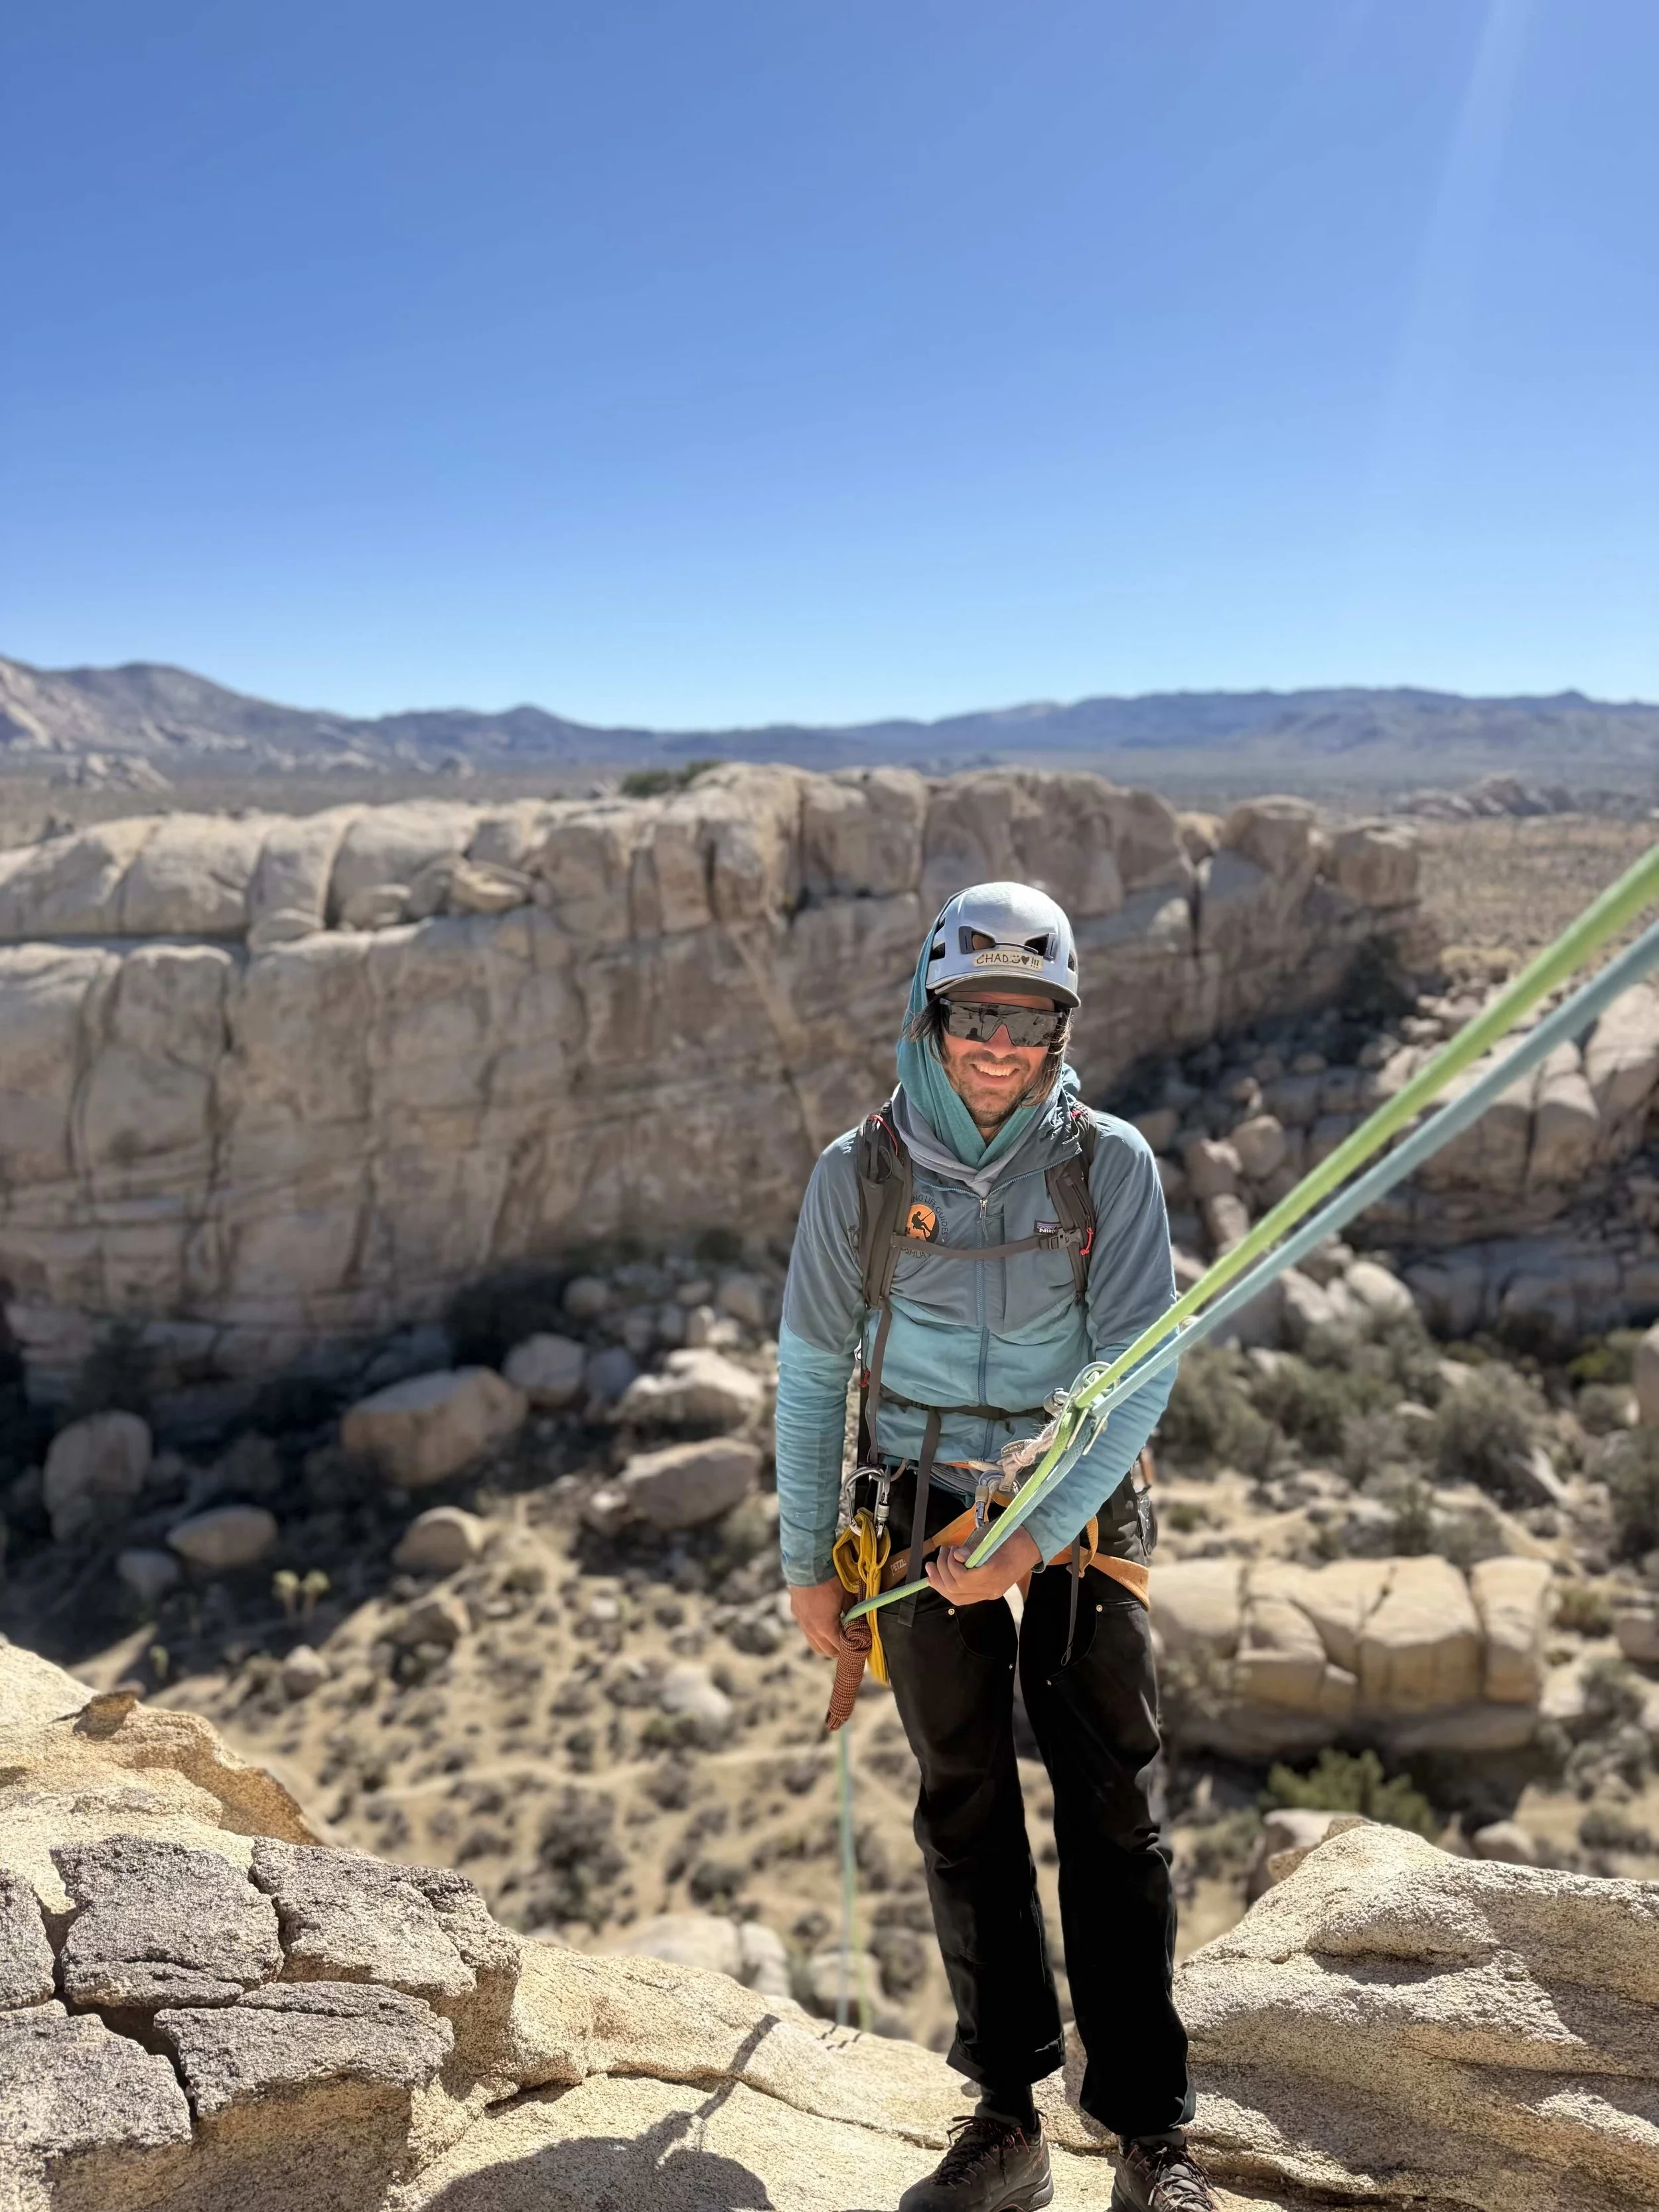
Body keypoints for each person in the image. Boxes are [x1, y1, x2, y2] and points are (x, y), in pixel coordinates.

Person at [775, 882, 1214, 2212]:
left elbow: (1138, 1375)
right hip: (909, 1499)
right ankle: (1006, 2118)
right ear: (931, 1009)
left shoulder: (1107, 1164)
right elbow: (807, 1372)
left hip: (1070, 1507)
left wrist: (1027, 1540)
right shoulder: (860, 1172)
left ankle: (1150, 2139)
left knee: (1113, 1814)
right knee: (962, 1804)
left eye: (1030, 1022)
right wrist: (807, 1562)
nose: (1000, 1046)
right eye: (977, 1014)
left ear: (1059, 1032)